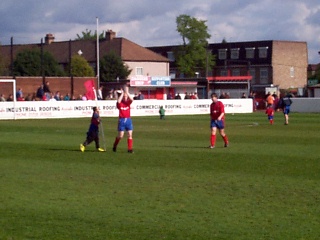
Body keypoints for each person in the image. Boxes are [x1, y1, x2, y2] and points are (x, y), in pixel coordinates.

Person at [112, 86, 134, 153]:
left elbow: (132, 99)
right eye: (124, 96)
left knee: (130, 135)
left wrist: (127, 92)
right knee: (120, 136)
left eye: (126, 96)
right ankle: (115, 145)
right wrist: (122, 93)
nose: (125, 97)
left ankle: (130, 149)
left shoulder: (128, 103)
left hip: (128, 120)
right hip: (121, 120)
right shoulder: (120, 104)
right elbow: (118, 101)